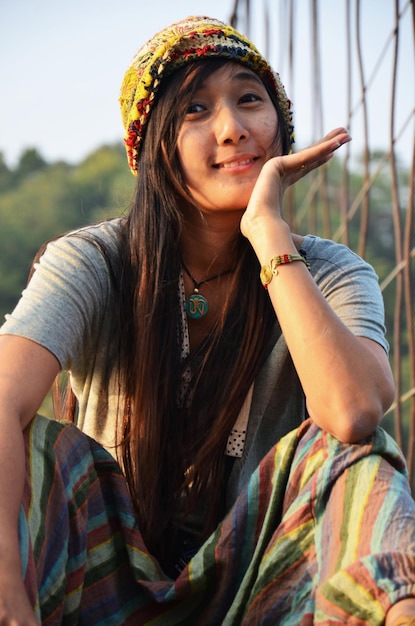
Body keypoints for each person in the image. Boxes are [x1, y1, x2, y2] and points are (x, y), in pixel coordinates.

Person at [0, 14, 415, 626]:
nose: (233, 128)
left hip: (262, 588)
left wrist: (268, 233)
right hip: (101, 581)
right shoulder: (94, 260)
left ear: (281, 130)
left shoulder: (328, 270)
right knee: (33, 443)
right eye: (195, 109)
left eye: (251, 100)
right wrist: (9, 596)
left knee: (352, 455)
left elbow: (354, 413)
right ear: (153, 147)